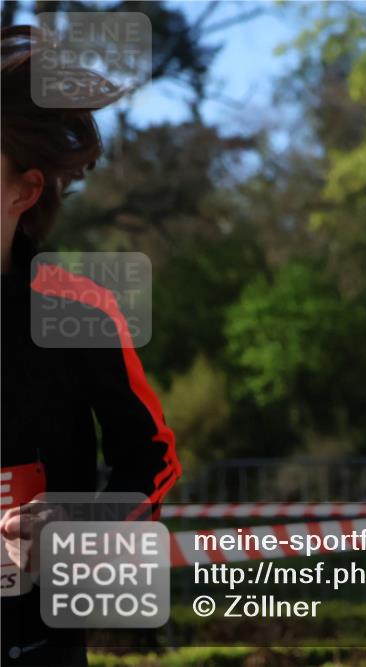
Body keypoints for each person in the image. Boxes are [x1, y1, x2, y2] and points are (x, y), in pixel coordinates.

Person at [0, 26, 181, 665]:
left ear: (24, 192)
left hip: (41, 643)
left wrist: (86, 524)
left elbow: (152, 456)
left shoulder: (80, 311)